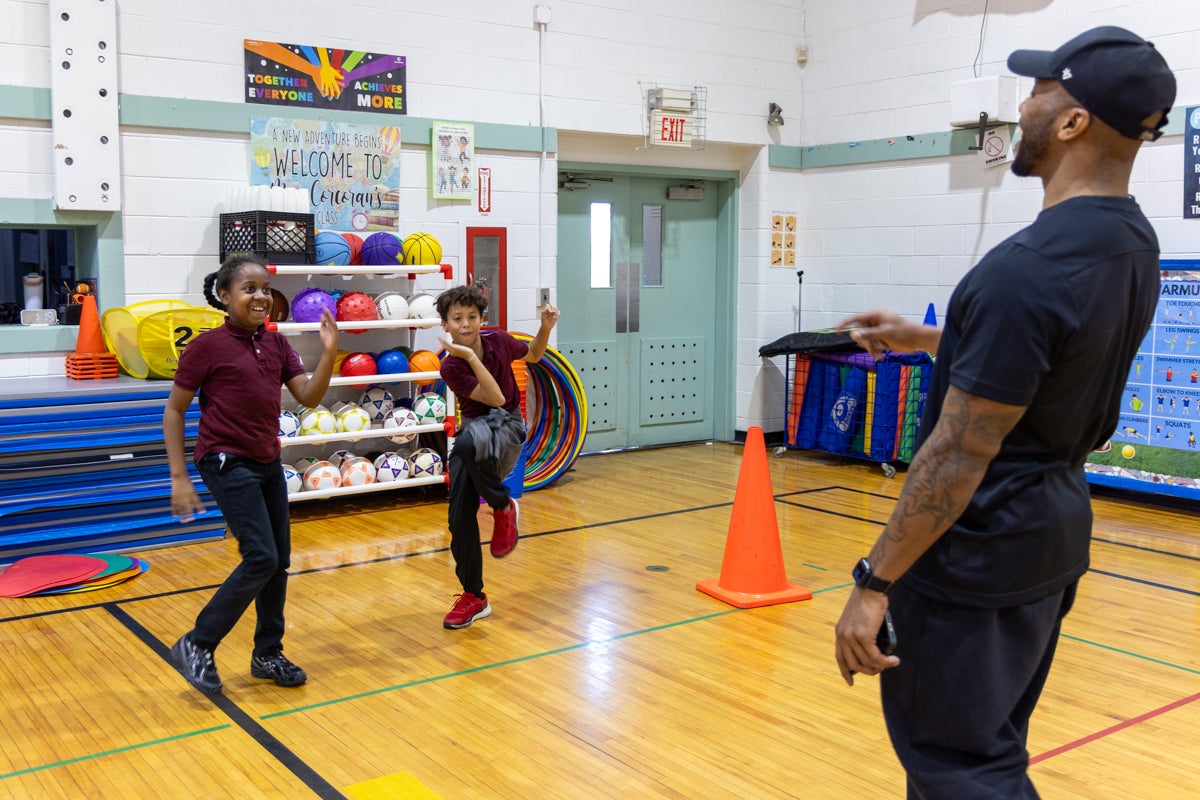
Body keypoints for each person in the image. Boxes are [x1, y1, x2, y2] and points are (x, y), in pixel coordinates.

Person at [832, 26, 1175, 799]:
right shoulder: (1131, 242)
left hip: (978, 549)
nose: (1022, 105)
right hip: (1051, 534)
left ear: (1072, 121)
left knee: (960, 767)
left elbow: (958, 454)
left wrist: (874, 580)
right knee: (992, 747)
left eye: (1038, 90)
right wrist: (931, 337)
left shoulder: (1027, 269)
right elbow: (1056, 354)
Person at [164, 255, 338, 694]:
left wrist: (330, 354)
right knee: (260, 556)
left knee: (277, 561)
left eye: (264, 288)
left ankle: (267, 653)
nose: (260, 296)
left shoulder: (278, 345)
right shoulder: (206, 347)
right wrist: (179, 477)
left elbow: (310, 398)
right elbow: (174, 410)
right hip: (225, 461)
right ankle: (198, 643)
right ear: (225, 297)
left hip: (265, 461)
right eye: (248, 289)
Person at [435, 285, 559, 629]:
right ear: (445, 324)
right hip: (475, 437)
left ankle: (503, 506)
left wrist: (545, 327)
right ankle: (474, 596)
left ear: (481, 319)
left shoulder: (499, 342)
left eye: (471, 317)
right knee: (458, 517)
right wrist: (466, 358)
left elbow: (529, 360)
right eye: (457, 319)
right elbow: (483, 400)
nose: (465, 324)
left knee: (465, 443)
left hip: (507, 428)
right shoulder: (450, 368)